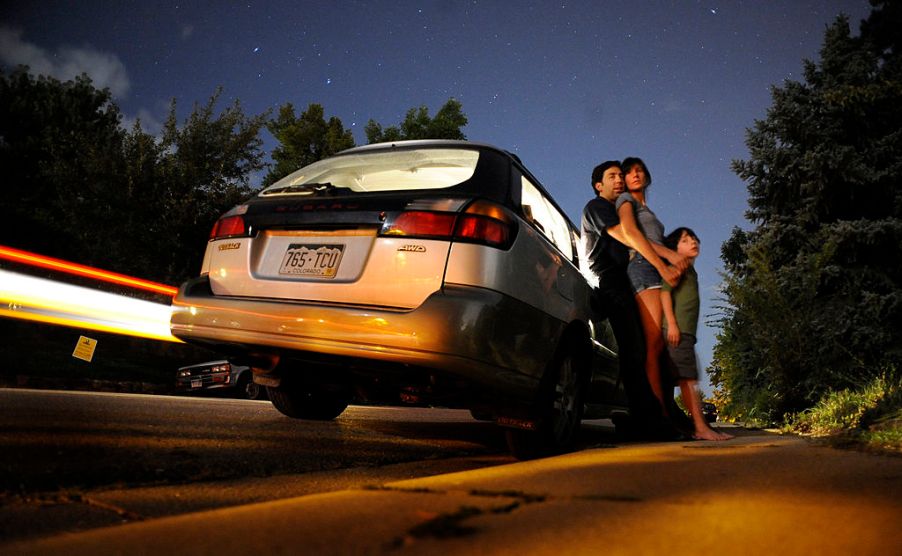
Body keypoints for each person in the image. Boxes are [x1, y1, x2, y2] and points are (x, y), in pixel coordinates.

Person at [581, 161, 683, 440]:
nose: (619, 180)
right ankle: (648, 421)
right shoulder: (597, 206)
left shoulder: (621, 211)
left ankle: (667, 414)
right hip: (609, 281)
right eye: (611, 176)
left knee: (653, 349)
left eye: (620, 176)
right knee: (635, 350)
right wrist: (663, 262)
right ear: (598, 185)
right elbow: (627, 237)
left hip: (628, 282)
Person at [617, 157, 689, 407]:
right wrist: (668, 255)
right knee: (654, 343)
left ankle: (665, 410)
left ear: (647, 176)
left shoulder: (648, 210)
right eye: (629, 172)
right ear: (624, 180)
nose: (635, 174)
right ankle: (658, 414)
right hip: (641, 266)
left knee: (664, 344)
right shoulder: (624, 200)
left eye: (640, 170)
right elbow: (630, 233)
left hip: (657, 271)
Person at [661, 227, 733, 441]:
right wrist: (672, 324)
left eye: (693, 238)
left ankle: (693, 427)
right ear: (675, 248)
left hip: (686, 333)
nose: (692, 241)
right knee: (688, 380)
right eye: (685, 240)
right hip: (678, 331)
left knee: (685, 379)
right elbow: (665, 293)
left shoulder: (691, 271)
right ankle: (701, 428)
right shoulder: (679, 267)